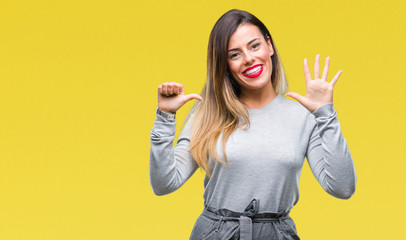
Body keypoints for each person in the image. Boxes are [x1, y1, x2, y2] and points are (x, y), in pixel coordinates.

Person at [149, 9, 357, 240]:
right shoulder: (207, 113)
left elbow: (342, 187)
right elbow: (164, 183)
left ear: (269, 46)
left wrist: (325, 114)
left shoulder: (303, 116)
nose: (249, 58)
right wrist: (165, 117)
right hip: (215, 234)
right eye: (234, 54)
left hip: (276, 234)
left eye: (254, 46)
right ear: (224, 65)